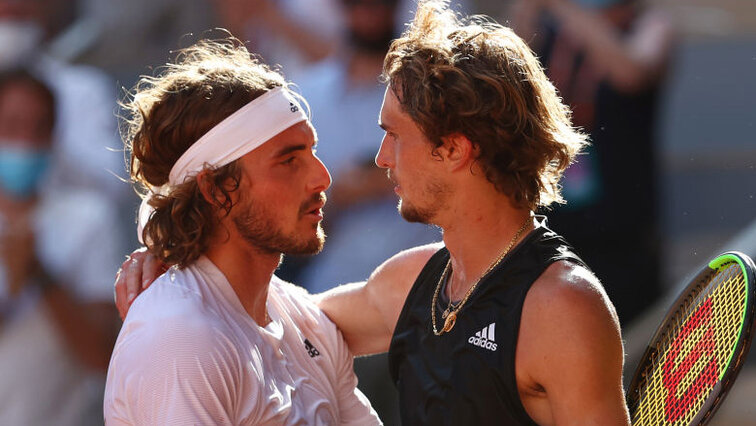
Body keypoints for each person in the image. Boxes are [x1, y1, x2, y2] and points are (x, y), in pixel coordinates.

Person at [116, 1, 630, 424]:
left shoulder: (563, 309)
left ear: (454, 149)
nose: (381, 157)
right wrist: (173, 248)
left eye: (393, 135)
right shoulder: (409, 284)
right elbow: (242, 309)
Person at [103, 39, 380, 424]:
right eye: (289, 161)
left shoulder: (304, 320)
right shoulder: (179, 336)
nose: (322, 177)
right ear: (214, 189)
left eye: (312, 152)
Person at [510, 0, 674, 326]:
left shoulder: (649, 24)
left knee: (632, 340)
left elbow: (631, 72)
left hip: (623, 229)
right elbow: (505, 66)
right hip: (550, 223)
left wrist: (565, 8)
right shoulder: (550, 28)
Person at [0, 69, 122, 425]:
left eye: (40, 128)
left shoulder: (89, 218)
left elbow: (101, 355)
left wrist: (40, 273)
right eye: (12, 125)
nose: (26, 141)